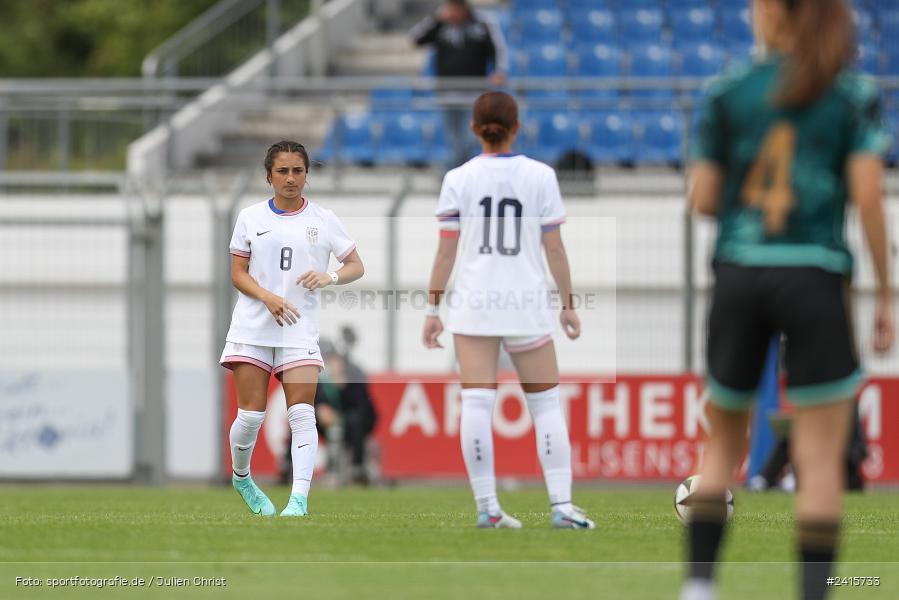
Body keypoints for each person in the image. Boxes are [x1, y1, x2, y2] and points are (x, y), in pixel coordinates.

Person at [682, 1, 893, 598]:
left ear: (771, 13)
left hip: (741, 270)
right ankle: (814, 593)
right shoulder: (851, 93)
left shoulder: (729, 91)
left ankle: (698, 587)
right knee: (820, 456)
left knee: (722, 441)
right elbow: (870, 199)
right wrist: (884, 293)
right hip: (816, 272)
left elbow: (702, 200)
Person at [421, 91, 594, 530]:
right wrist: (568, 304)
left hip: (476, 301)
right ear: (517, 127)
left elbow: (446, 254)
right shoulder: (541, 176)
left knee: (477, 404)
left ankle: (488, 509)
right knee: (547, 405)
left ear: (474, 128)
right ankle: (561, 508)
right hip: (525, 300)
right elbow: (554, 246)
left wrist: (432, 308)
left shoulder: (457, 178)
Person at [220, 140, 364, 518]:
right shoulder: (251, 218)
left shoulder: (324, 219)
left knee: (303, 413)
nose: (290, 178)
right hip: (253, 328)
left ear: (306, 174)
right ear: (268, 175)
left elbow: (355, 265)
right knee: (250, 416)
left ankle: (298, 500)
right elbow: (237, 273)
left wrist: (330, 275)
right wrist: (267, 297)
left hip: (298, 331)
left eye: (297, 171)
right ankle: (242, 477)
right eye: (282, 171)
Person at [410, 0, 509, 169]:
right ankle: (458, 177)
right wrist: (436, 19)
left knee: (469, 138)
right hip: (446, 94)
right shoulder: (439, 24)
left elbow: (498, 49)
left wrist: (499, 71)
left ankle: (456, 173)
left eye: (456, 7)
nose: (453, 11)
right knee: (452, 140)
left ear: (464, 7)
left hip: (474, 94)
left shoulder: (483, 23)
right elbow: (415, 39)